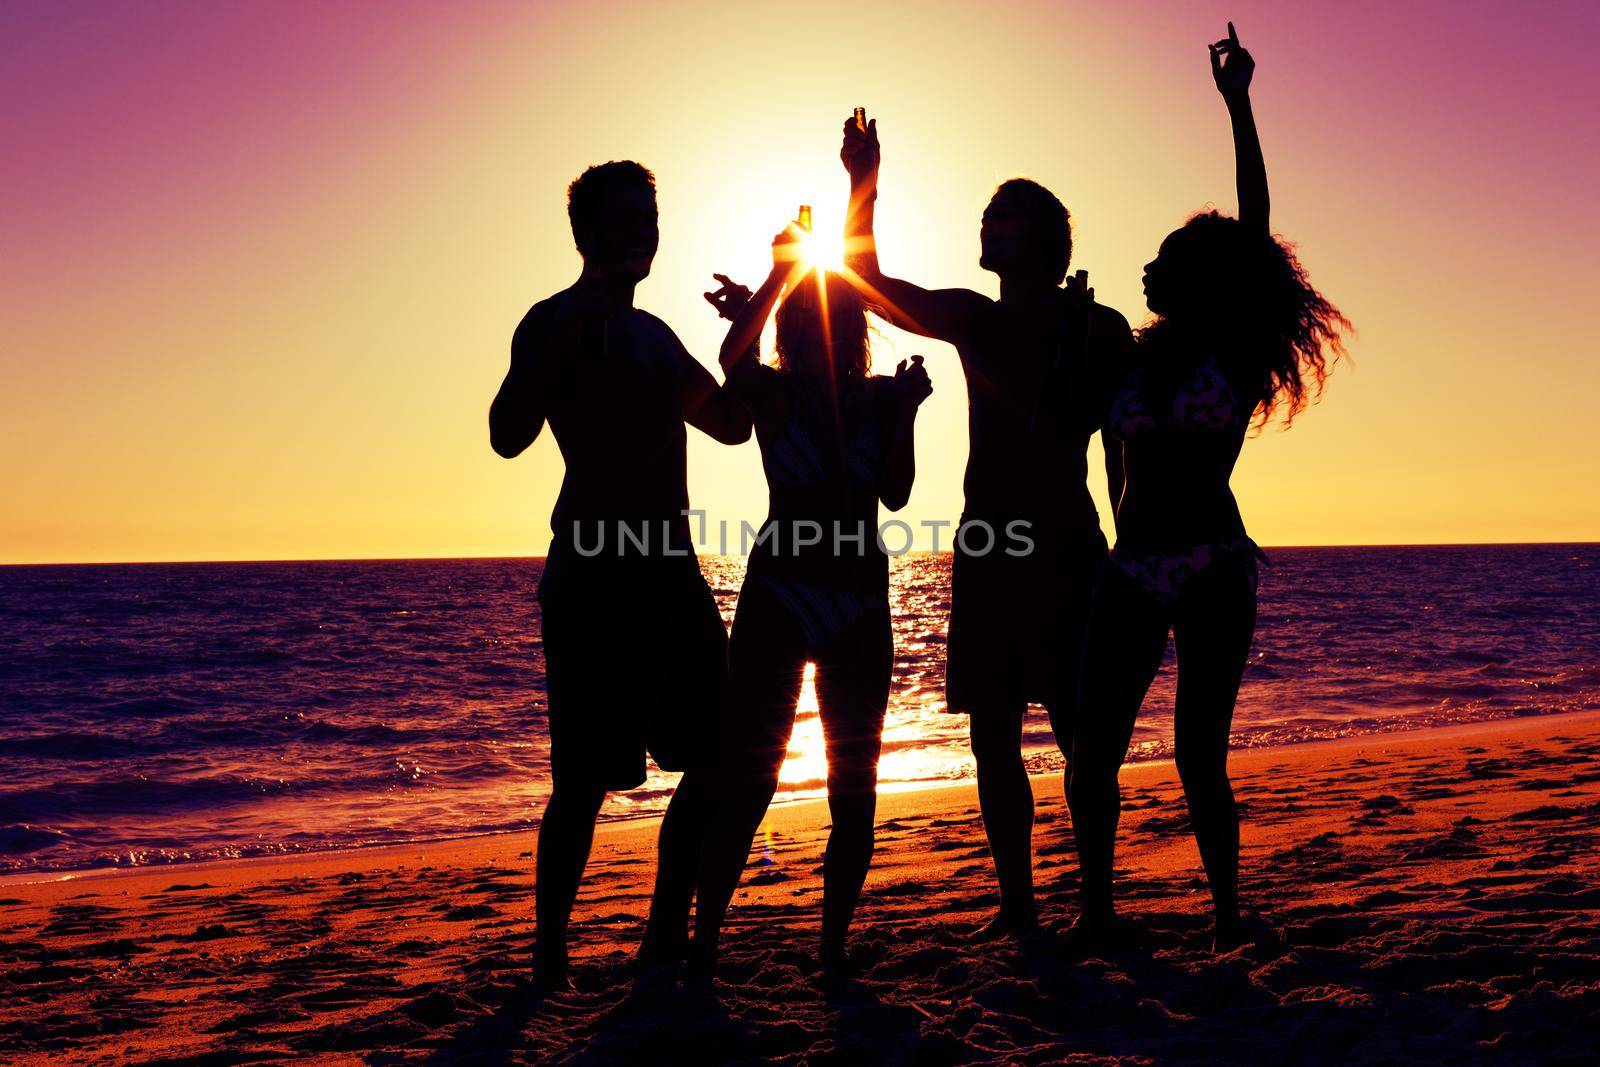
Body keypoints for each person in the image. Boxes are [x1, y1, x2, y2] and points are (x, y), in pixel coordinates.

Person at [1069, 24, 1350, 951]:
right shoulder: (1126, 361)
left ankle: (1229, 914)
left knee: (1198, 756)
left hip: (1212, 564)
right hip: (1133, 563)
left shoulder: (1232, 349)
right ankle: (1097, 911)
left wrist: (1239, 106)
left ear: (1203, 282)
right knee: (1093, 751)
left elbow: (1257, 228)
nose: (1147, 268)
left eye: (1163, 260)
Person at [840, 111, 1134, 935]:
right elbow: (870, 284)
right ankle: (1026, 907)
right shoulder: (990, 317)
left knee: (1075, 737)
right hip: (999, 542)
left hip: (1056, 543)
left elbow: (1124, 435)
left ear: (1039, 239)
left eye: (999, 219)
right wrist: (863, 179)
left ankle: (1091, 908)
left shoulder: (1090, 327)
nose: (983, 226)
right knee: (998, 735)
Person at [489, 160, 753, 988]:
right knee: (582, 782)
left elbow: (734, 425)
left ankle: (663, 930)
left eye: (651, 215)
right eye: (625, 217)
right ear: (586, 234)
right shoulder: (548, 320)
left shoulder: (658, 336)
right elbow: (505, 433)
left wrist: (747, 327)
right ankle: (550, 951)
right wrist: (571, 329)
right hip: (591, 575)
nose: (643, 230)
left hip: (670, 566)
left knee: (717, 754)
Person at [681, 220, 932, 978]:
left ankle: (831, 950)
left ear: (853, 330)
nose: (811, 334)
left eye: (825, 321)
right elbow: (731, 356)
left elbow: (895, 490)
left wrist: (912, 411)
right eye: (798, 322)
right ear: (787, 332)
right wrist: (779, 272)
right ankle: (704, 944)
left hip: (857, 602)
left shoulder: (883, 399)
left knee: (852, 788)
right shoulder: (774, 392)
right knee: (748, 778)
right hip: (779, 596)